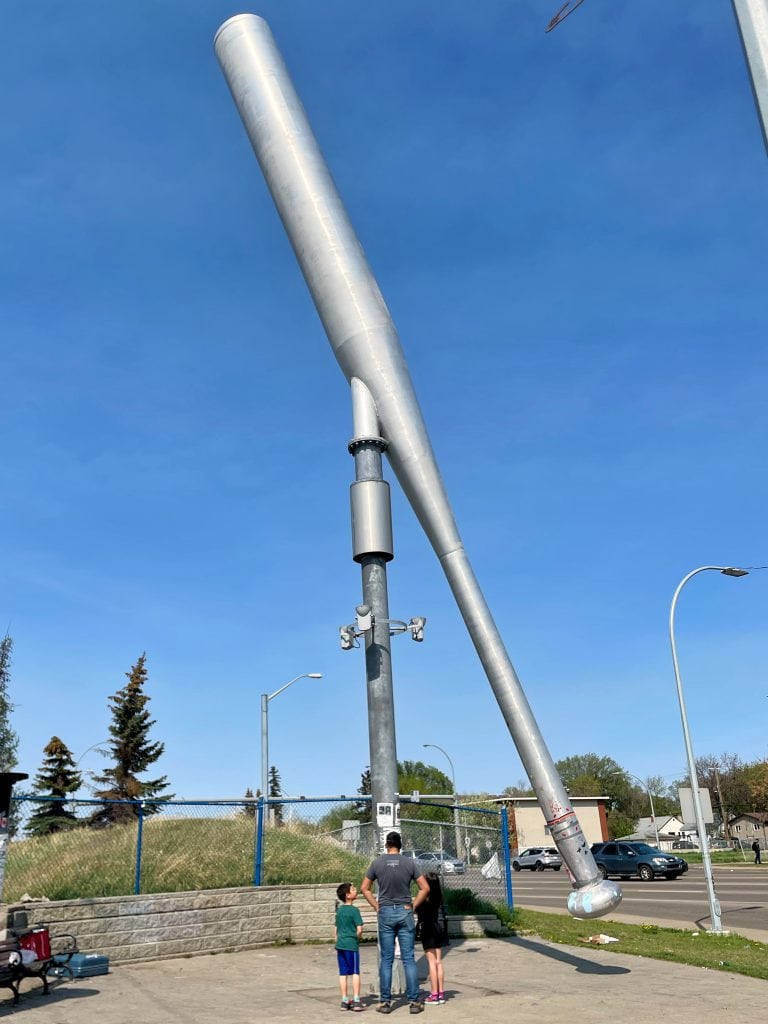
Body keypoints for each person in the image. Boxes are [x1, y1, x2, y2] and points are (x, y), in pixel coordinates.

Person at [361, 831, 430, 1015]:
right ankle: (414, 1002)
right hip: (405, 911)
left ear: (386, 845)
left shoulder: (377, 863)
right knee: (408, 958)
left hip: (385, 913)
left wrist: (377, 906)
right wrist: (413, 905)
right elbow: (425, 887)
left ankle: (385, 1002)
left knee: (386, 959)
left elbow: (364, 888)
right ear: (400, 845)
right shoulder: (409, 863)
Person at [415, 872, 449, 1004]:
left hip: (427, 929)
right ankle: (441, 993)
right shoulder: (438, 896)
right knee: (439, 962)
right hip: (436, 927)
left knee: (431, 962)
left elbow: (414, 908)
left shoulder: (423, 898)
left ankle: (433, 994)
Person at [335, 882, 365, 1011]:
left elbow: (335, 929)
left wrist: (338, 940)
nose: (355, 890)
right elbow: (359, 929)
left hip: (340, 944)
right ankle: (357, 1000)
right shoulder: (354, 910)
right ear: (348, 895)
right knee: (355, 972)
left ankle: (344, 1000)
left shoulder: (340, 910)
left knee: (343, 973)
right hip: (351, 945)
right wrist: (357, 938)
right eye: (353, 889)